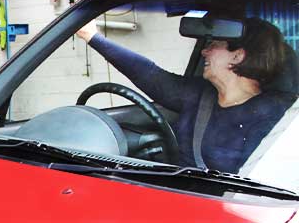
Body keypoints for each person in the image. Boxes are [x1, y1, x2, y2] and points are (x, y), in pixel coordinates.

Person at [76, 16, 294, 174]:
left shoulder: (276, 113)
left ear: (237, 56)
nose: (204, 51)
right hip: (182, 198)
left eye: (214, 45)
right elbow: (150, 74)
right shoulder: (199, 94)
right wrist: (92, 36)